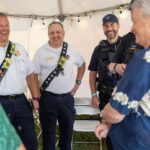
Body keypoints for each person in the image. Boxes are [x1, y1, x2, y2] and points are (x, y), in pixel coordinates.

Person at [95, 0, 150, 149]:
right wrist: (115, 66)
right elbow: (102, 68)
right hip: (113, 96)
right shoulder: (122, 41)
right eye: (106, 25)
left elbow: (114, 113)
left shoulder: (144, 59)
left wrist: (107, 115)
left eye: (134, 21)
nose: (132, 28)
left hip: (135, 141)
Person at [32, 21, 85, 150]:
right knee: (48, 135)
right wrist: (36, 97)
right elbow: (33, 75)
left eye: (58, 32)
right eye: (52, 33)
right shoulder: (41, 52)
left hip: (67, 98)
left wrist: (78, 82)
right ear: (48, 35)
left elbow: (82, 64)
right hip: (47, 98)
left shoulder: (72, 50)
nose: (55, 35)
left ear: (63, 34)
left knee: (67, 134)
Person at [0, 12, 39, 150]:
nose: (4, 29)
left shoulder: (20, 49)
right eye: (0, 25)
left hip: (21, 102)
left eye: (6, 25)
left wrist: (35, 98)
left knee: (29, 141)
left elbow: (30, 75)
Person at [88, 14, 121, 150]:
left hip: (123, 96)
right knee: (109, 132)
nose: (109, 28)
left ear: (118, 26)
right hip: (105, 96)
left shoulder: (128, 45)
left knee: (124, 129)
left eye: (112, 25)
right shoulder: (99, 49)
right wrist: (93, 95)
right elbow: (92, 73)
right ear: (103, 28)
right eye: (106, 26)